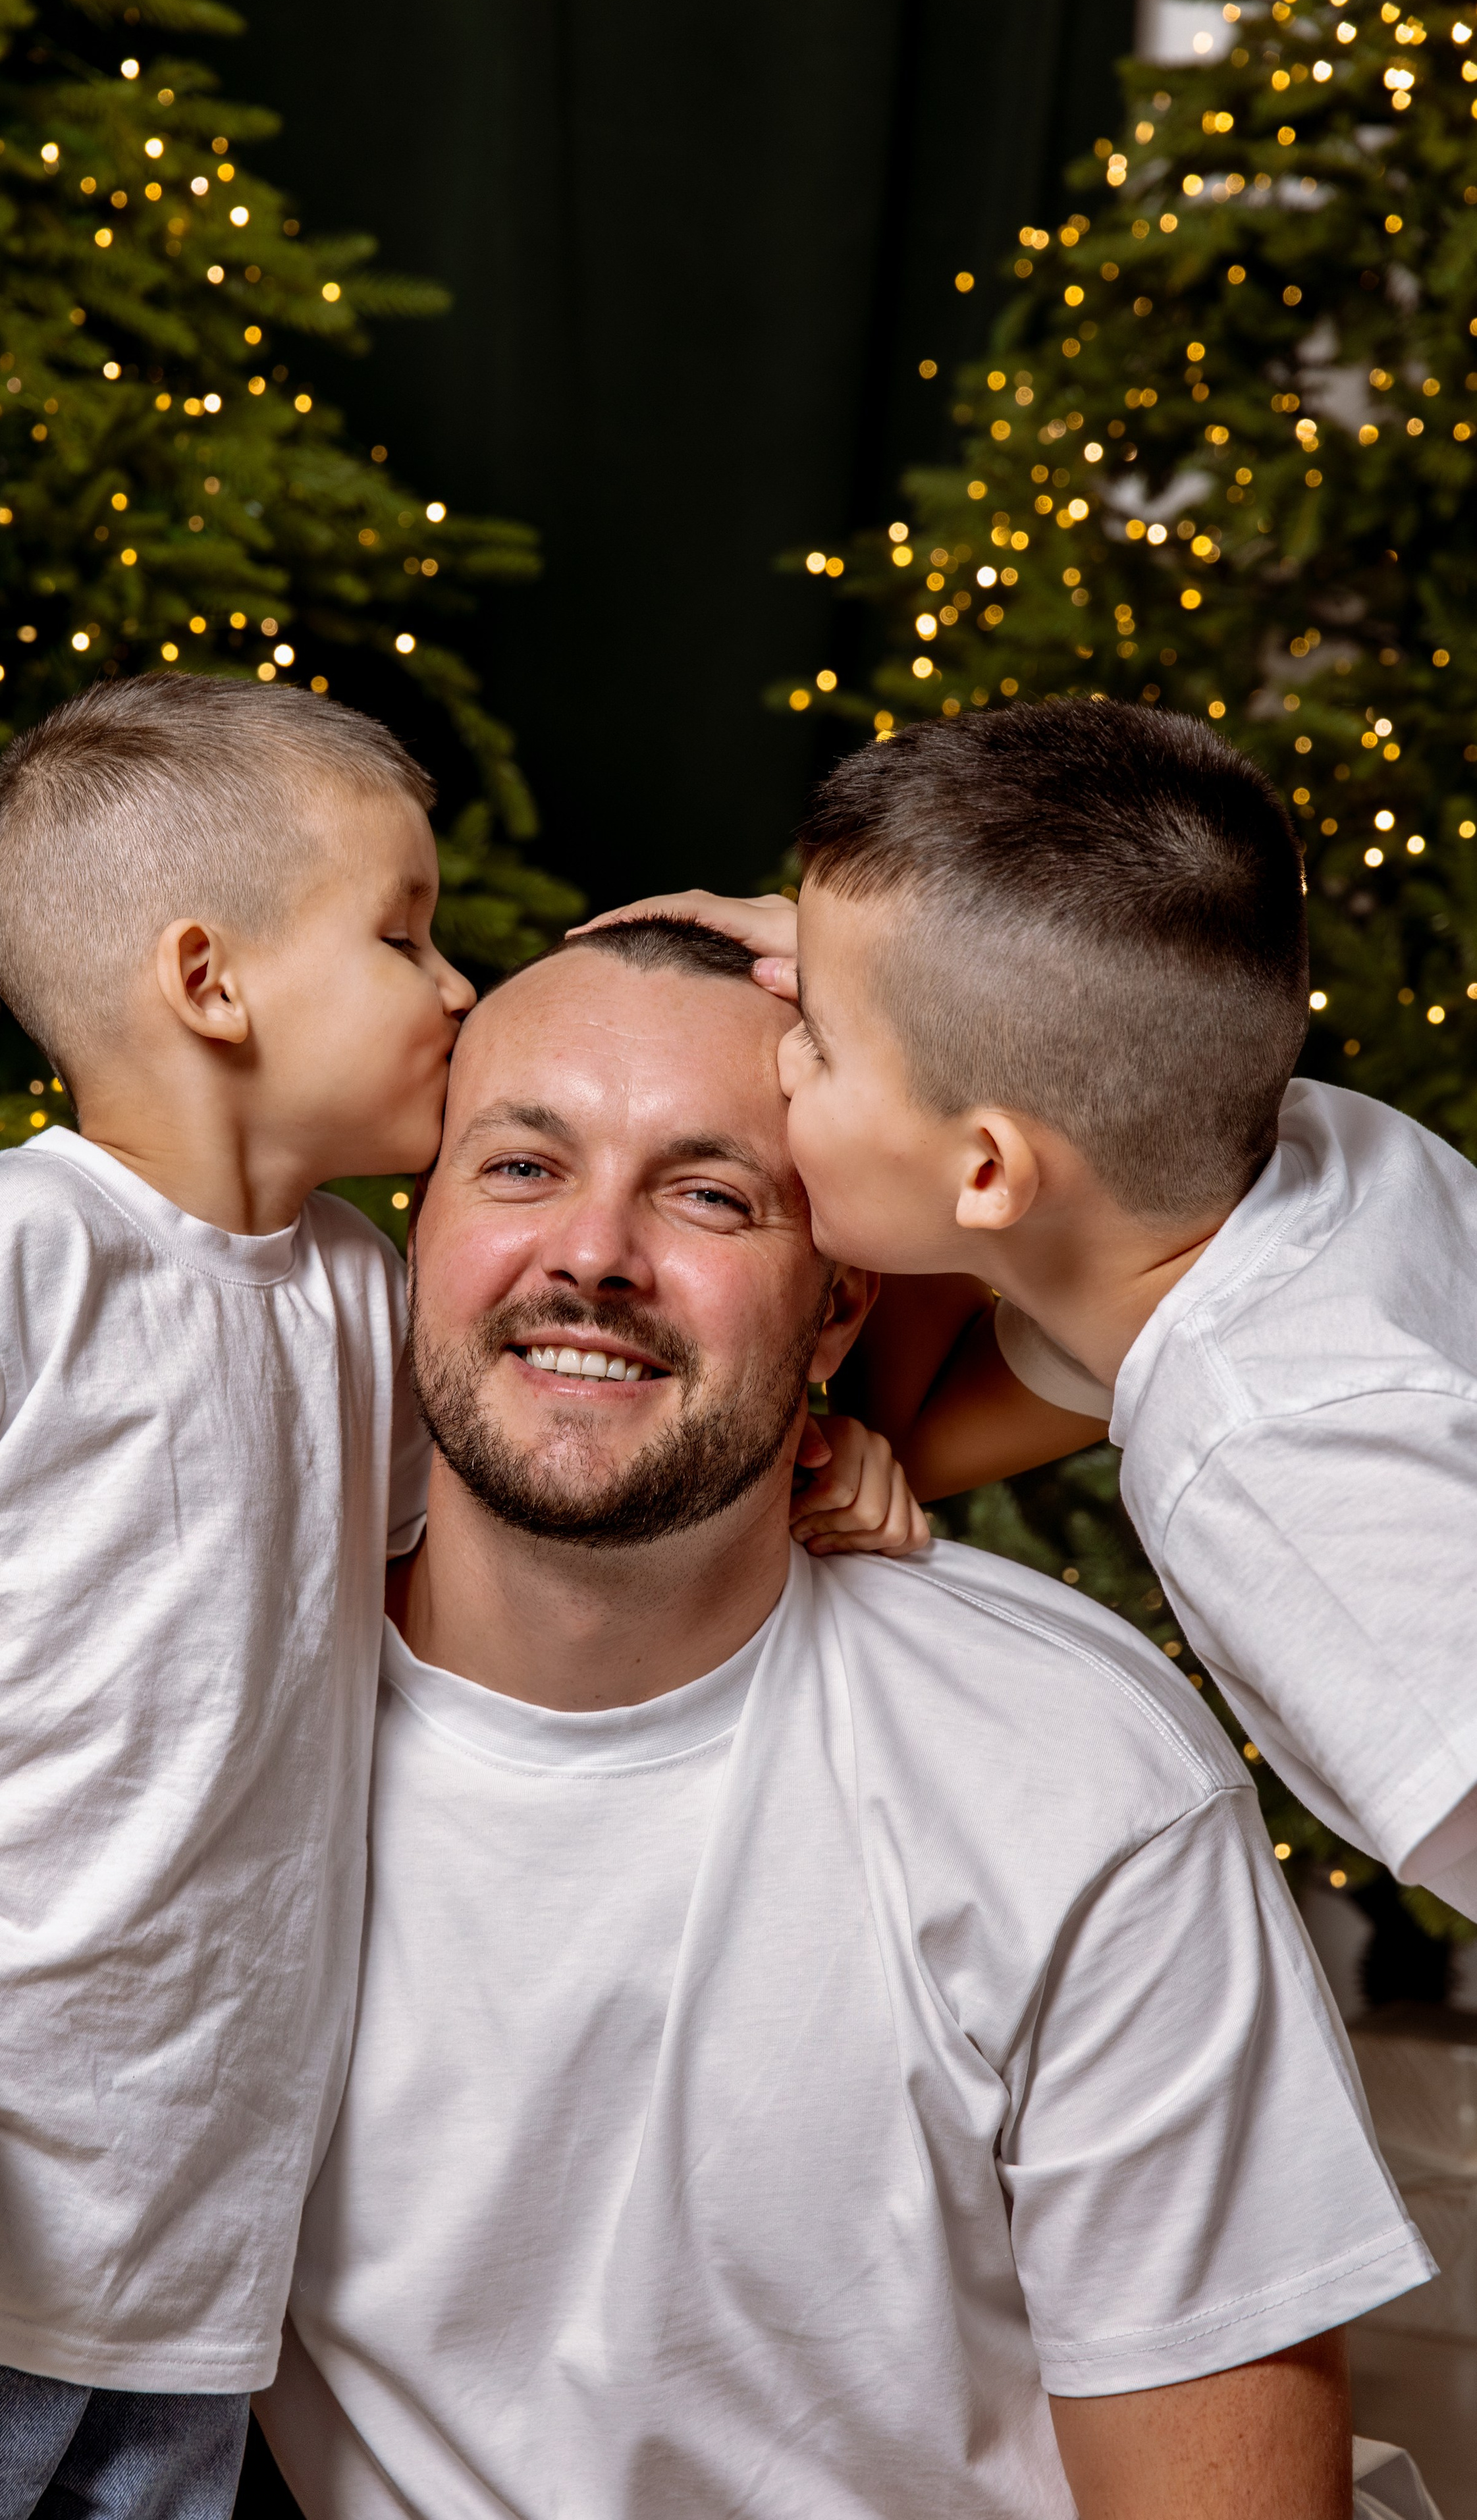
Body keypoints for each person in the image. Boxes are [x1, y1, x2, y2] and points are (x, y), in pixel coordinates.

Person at [256, 915, 1430, 2520]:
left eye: (709, 1194)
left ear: (834, 1310)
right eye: (520, 1168)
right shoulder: (205, 1717)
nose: (591, 1252)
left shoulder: (1065, 1774)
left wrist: (938, 974)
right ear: (415, 1237)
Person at [0, 676, 473, 2515]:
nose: (459, 987)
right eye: (407, 935)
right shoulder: (2, 1263)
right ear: (210, 978)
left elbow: (454, 1585)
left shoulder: (354, 1292)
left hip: (192, 2264)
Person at [587, 701, 1477, 1921]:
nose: (782, 1055)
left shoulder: (1271, 1457)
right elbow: (925, 1429)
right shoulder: (1272, 1174)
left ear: (990, 1174)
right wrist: (885, 964)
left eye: (821, 1046)